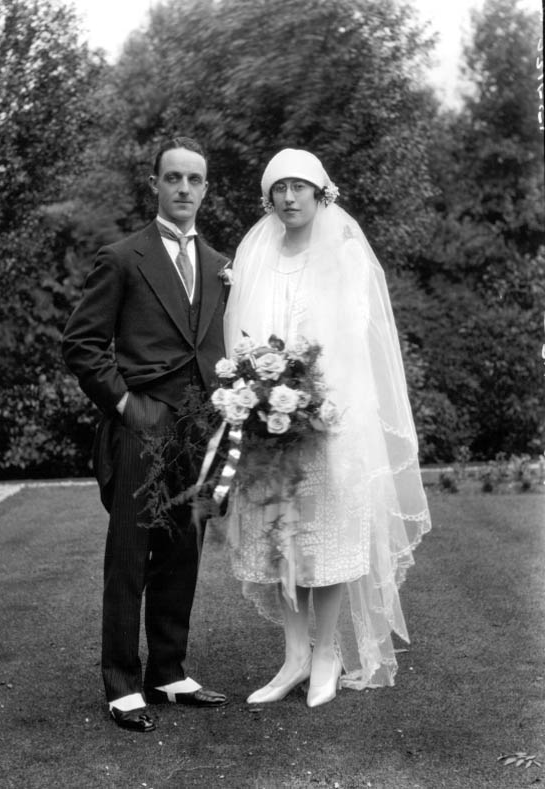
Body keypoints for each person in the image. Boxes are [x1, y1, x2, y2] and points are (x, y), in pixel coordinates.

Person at [223, 148, 431, 707]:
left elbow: (356, 342)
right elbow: (240, 334)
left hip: (328, 420)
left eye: (299, 187)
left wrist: (317, 400)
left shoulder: (345, 254)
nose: (289, 198)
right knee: (280, 537)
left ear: (320, 194)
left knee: (328, 539)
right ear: (268, 196)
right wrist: (255, 395)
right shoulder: (254, 253)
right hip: (269, 423)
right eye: (279, 188)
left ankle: (327, 655)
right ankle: (293, 657)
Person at [62, 137, 230, 733]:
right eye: (173, 178)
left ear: (206, 189)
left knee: (183, 554)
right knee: (129, 557)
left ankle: (169, 671)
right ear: (155, 184)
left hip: (199, 432)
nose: (184, 189)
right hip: (143, 424)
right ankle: (122, 684)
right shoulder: (123, 257)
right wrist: (127, 404)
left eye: (195, 180)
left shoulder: (218, 265)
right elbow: (80, 343)